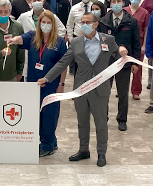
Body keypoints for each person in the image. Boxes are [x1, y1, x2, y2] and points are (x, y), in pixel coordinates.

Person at [39, 12, 128, 167]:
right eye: (82, 22)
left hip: (100, 88)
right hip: (81, 88)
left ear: (96, 24)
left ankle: (101, 153)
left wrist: (122, 49)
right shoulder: (75, 42)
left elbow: (117, 50)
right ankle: (83, 150)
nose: (84, 25)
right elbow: (63, 62)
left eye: (88, 22)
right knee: (82, 121)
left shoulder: (108, 39)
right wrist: (47, 78)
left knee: (101, 123)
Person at [7, 10, 68, 157]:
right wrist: (13, 40)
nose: (45, 25)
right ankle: (50, 141)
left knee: (49, 115)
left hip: (51, 85)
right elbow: (20, 39)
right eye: (43, 22)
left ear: (53, 25)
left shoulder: (59, 42)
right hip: (34, 84)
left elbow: (63, 65)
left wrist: (61, 84)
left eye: (48, 23)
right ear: (38, 23)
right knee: (36, 114)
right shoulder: (33, 37)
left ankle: (47, 144)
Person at [98, 0, 141, 131]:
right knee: (104, 93)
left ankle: (122, 119)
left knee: (123, 93)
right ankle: (102, 118)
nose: (116, 3)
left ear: (123, 3)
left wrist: (136, 62)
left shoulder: (131, 21)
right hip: (107, 62)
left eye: (118, 1)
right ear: (110, 4)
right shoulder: (103, 22)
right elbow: (99, 42)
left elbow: (136, 43)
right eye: (113, 1)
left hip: (124, 63)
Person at [125, 0, 150, 100]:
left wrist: (144, 45)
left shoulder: (144, 13)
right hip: (125, 44)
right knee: (123, 69)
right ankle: (123, 89)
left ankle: (136, 91)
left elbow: (146, 30)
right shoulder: (124, 11)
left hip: (138, 44)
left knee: (137, 69)